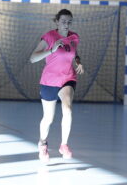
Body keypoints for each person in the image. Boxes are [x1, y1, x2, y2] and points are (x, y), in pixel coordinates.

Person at [30, 9, 84, 162]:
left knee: (67, 109)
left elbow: (74, 53)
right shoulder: (49, 37)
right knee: (48, 118)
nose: (66, 24)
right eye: (63, 21)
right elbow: (33, 58)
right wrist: (52, 50)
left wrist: (78, 62)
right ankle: (42, 143)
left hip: (68, 78)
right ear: (57, 22)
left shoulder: (74, 37)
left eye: (69, 22)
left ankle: (64, 144)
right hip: (49, 81)